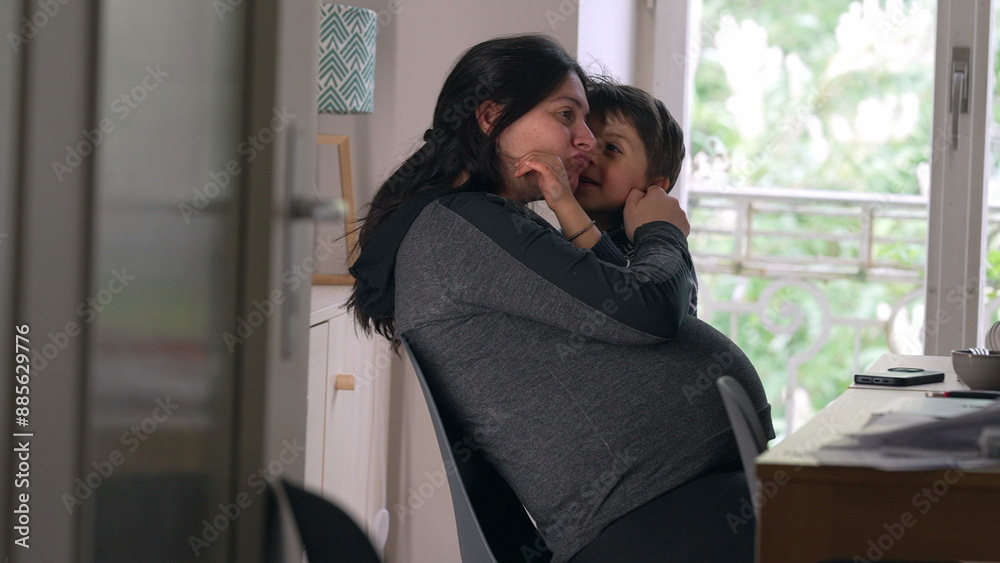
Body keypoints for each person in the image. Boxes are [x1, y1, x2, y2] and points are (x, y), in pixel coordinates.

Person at [348, 34, 774, 563]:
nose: (586, 140)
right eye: (567, 115)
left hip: (667, 501)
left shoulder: (476, 222)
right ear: (491, 117)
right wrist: (662, 233)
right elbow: (650, 310)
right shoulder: (465, 226)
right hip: (647, 514)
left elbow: (628, 299)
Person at [575, 79, 699, 316]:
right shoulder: (553, 235)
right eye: (583, 142)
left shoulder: (653, 249)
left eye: (612, 148)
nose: (588, 156)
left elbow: (626, 296)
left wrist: (562, 200)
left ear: (654, 187)